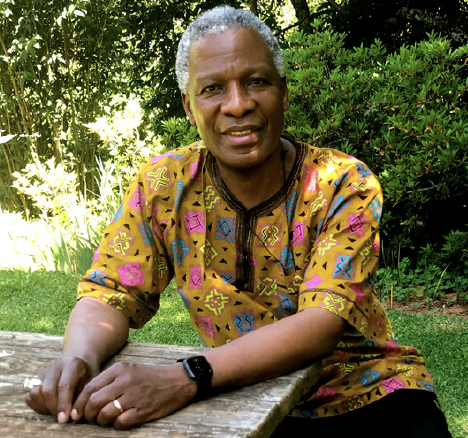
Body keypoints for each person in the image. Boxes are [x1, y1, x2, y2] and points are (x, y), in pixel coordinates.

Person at [25, 6, 452, 437]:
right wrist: (78, 360)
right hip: (240, 394)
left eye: (257, 82)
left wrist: (186, 377)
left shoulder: (341, 183)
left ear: (283, 93)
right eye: (212, 89)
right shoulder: (163, 186)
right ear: (189, 106)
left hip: (368, 395)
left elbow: (321, 324)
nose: (238, 104)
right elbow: (111, 293)